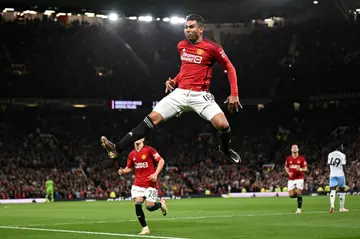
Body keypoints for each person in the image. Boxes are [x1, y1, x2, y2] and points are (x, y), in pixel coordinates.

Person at [101, 14, 242, 163]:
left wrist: (234, 93)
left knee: (223, 125)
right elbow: (186, 69)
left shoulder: (212, 47)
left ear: (201, 29)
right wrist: (175, 81)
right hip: (179, 94)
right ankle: (117, 148)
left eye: (191, 27)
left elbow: (230, 67)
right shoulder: (182, 46)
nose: (187, 30)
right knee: (151, 119)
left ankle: (225, 149)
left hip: (200, 95)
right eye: (186, 27)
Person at [115, 138, 168, 235]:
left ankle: (161, 204)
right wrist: (123, 171)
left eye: (139, 136)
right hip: (138, 184)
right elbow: (129, 168)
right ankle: (145, 228)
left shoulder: (149, 150)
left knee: (150, 207)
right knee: (137, 204)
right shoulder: (131, 154)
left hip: (150, 184)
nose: (136, 138)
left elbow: (161, 161)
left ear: (143, 139)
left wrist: (155, 174)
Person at [284, 144, 308, 214]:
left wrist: (300, 169)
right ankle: (298, 197)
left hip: (299, 178)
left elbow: (306, 169)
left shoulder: (301, 159)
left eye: (295, 148)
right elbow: (286, 167)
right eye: (293, 148)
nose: (294, 149)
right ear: (291, 150)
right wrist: (288, 173)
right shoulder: (288, 159)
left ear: (298, 150)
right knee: (291, 195)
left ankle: (299, 209)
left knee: (299, 193)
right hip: (291, 178)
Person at [328, 144, 349, 213]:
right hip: (340, 174)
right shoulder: (342, 155)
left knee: (332, 190)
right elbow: (344, 166)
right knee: (342, 190)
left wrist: (331, 171)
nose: (343, 148)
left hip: (332, 174)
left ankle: (332, 205)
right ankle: (341, 207)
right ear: (339, 147)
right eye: (342, 146)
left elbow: (329, 165)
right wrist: (346, 176)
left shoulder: (330, 154)